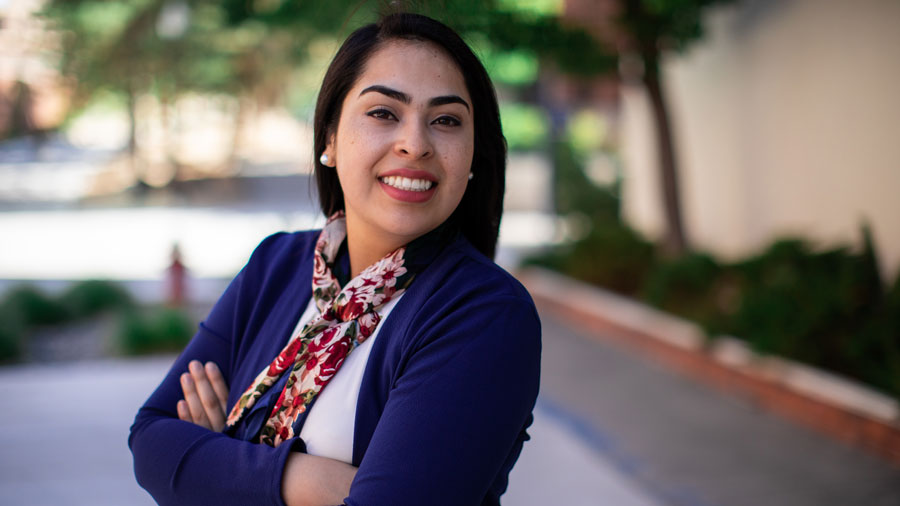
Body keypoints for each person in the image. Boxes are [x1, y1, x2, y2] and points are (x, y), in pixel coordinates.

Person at [129, 12, 541, 506]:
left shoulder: (483, 314)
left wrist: (215, 462)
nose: (415, 143)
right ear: (328, 138)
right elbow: (151, 440)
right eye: (383, 113)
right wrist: (313, 483)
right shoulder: (277, 265)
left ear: (474, 157)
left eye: (446, 120)